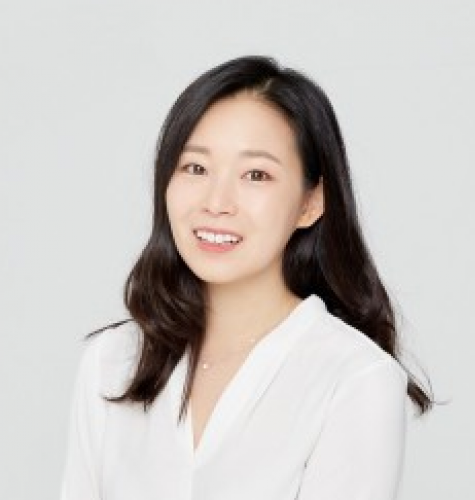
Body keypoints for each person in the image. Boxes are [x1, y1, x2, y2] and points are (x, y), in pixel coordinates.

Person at [60, 55, 433, 500]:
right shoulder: (113, 360)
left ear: (311, 203)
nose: (217, 202)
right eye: (195, 168)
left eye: (256, 175)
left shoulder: (355, 378)